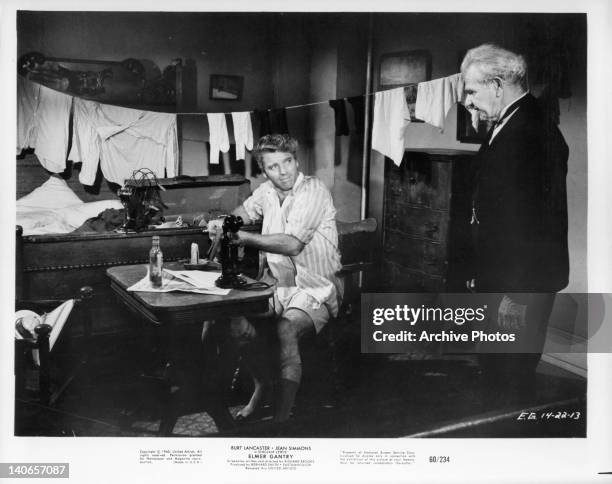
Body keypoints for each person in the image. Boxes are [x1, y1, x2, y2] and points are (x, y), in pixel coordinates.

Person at [208, 134, 342, 423]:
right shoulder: (267, 191)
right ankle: (263, 383)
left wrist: (240, 236)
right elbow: (242, 213)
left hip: (315, 288)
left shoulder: (314, 190)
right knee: (233, 321)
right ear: (264, 170)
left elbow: (293, 244)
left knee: (284, 329)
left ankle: (280, 422)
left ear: (296, 161)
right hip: (277, 288)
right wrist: (223, 223)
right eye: (273, 167)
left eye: (288, 162)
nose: (283, 172)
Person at [460, 44, 569, 393]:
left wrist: (511, 294)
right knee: (497, 370)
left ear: (496, 85)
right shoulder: (510, 123)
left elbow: (533, 224)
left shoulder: (532, 130)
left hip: (520, 283)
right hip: (504, 279)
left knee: (510, 377)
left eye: (472, 91)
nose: (468, 102)